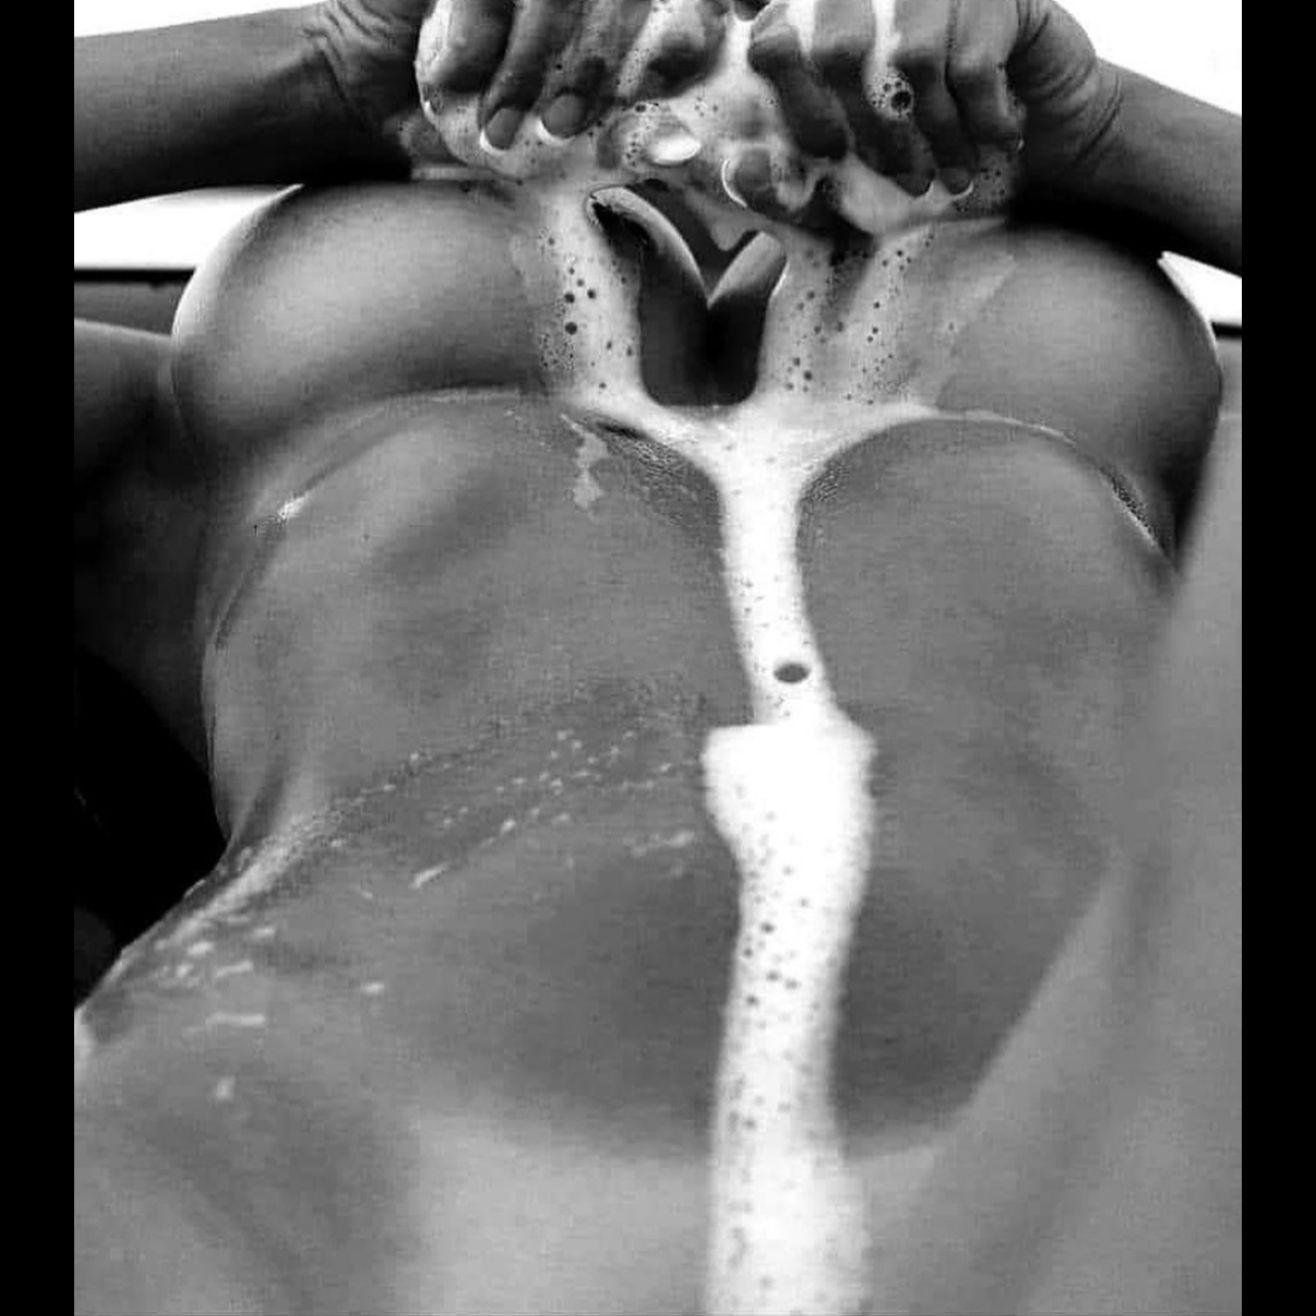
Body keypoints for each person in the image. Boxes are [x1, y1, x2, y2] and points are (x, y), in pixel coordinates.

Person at [74, 2, 1240, 1312]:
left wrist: (1110, 127)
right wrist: (326, 64)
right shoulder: (153, 473)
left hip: (1126, 1158)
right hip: (271, 1156)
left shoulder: (1207, 515)